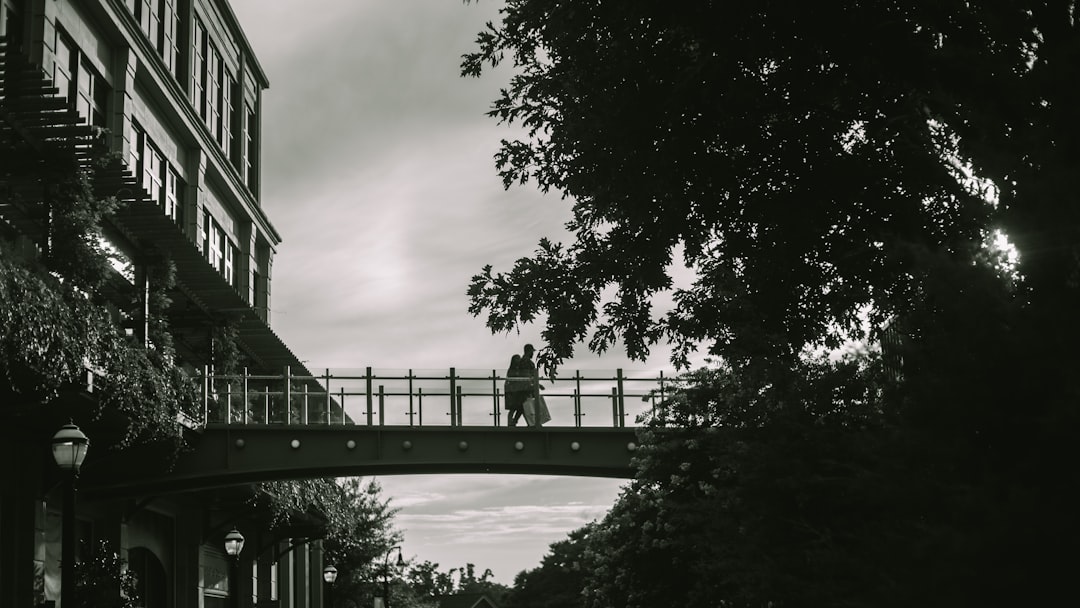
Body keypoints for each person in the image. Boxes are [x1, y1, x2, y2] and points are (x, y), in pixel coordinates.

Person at [504, 344, 538, 426]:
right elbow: (530, 376)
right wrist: (535, 385)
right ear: (529, 351)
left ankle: (515, 422)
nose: (533, 354)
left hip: (519, 388)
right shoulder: (529, 363)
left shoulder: (519, 362)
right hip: (525, 388)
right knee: (524, 406)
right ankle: (530, 424)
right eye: (532, 352)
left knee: (521, 406)